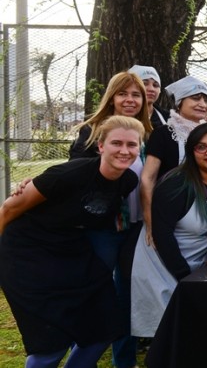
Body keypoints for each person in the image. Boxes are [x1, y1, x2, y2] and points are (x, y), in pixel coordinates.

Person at [0, 116, 143, 368]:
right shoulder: (68, 174)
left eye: (131, 145)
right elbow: (9, 209)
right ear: (101, 146)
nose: (124, 150)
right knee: (49, 343)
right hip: (28, 253)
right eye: (116, 143)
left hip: (71, 251)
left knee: (105, 326)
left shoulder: (128, 181)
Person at [68, 72, 153, 368]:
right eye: (123, 94)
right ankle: (81, 353)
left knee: (128, 295)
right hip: (103, 228)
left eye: (136, 95)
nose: (130, 100)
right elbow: (76, 176)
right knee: (96, 293)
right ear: (111, 97)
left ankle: (124, 360)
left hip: (137, 227)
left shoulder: (148, 133)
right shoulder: (92, 132)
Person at [131, 123, 207, 339]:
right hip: (163, 264)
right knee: (169, 332)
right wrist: (186, 278)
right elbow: (162, 236)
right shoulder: (176, 185)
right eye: (201, 147)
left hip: (196, 265)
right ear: (192, 152)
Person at [141, 76, 207, 246]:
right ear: (179, 103)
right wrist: (151, 222)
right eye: (195, 98)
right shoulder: (163, 134)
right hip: (166, 215)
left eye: (206, 99)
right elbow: (147, 179)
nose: (202, 103)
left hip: (203, 214)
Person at [130, 64, 169, 129]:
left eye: (155, 85)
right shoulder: (117, 118)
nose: (151, 89)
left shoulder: (170, 119)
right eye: (144, 83)